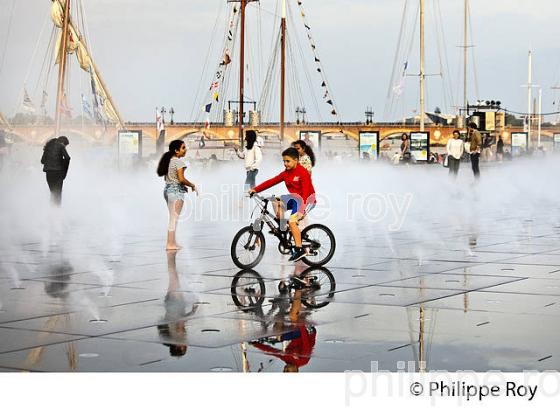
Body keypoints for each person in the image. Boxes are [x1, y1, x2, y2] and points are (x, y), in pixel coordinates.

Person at [249, 147, 315, 262]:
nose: (285, 164)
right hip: (295, 199)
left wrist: (301, 211)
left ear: (296, 160)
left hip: (307, 200)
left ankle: (299, 249)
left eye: (288, 161)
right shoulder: (286, 173)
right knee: (275, 201)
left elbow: (305, 193)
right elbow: (272, 181)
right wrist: (256, 189)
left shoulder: (303, 173)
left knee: (292, 221)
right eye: (284, 161)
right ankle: (282, 227)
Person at [157, 140, 197, 250]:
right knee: (173, 219)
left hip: (168, 190)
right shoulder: (179, 163)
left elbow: (171, 179)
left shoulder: (168, 161)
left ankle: (172, 242)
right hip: (175, 192)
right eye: (183, 148)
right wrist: (192, 185)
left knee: (172, 218)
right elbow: (181, 179)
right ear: (176, 150)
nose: (185, 149)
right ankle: (170, 244)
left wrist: (182, 186)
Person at [41, 136, 71, 206]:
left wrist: (50, 160)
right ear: (63, 142)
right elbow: (67, 158)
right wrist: (64, 171)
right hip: (58, 172)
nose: (65, 147)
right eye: (65, 145)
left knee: (53, 192)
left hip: (49, 173)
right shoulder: (61, 146)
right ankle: (57, 212)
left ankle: (52, 210)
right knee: (58, 193)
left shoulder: (48, 146)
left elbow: (42, 161)